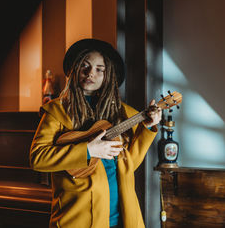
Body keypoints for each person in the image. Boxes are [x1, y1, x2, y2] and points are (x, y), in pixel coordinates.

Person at [29, 38, 162, 228]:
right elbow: (37, 158)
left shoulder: (122, 113)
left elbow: (128, 164)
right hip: (78, 220)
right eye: (85, 66)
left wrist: (147, 128)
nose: (91, 73)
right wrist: (88, 151)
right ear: (74, 69)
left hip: (122, 218)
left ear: (108, 76)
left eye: (100, 69)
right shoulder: (57, 111)